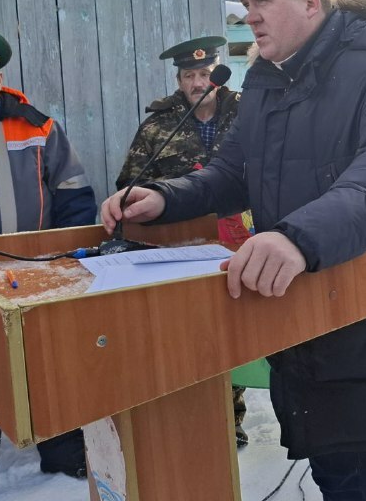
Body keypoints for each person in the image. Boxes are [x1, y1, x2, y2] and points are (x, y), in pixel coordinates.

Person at [101, 0, 366, 501]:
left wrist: (297, 238)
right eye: (243, 3)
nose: (249, 16)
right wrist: (165, 197)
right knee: (337, 484)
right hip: (302, 327)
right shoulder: (265, 80)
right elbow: (232, 170)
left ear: (310, 2)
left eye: (260, 0)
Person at [0, 25, 96, 500]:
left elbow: (73, 195)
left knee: (46, 368)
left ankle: (63, 455)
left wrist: (65, 265)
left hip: (33, 278)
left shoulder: (37, 126)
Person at [116, 35, 251, 446]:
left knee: (236, 327)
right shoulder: (158, 125)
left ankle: (231, 417)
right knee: (192, 330)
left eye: (204, 73)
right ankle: (192, 416)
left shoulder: (248, 112)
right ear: (179, 81)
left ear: (218, 75)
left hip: (242, 237)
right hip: (184, 246)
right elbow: (129, 185)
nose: (198, 83)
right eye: (189, 76)